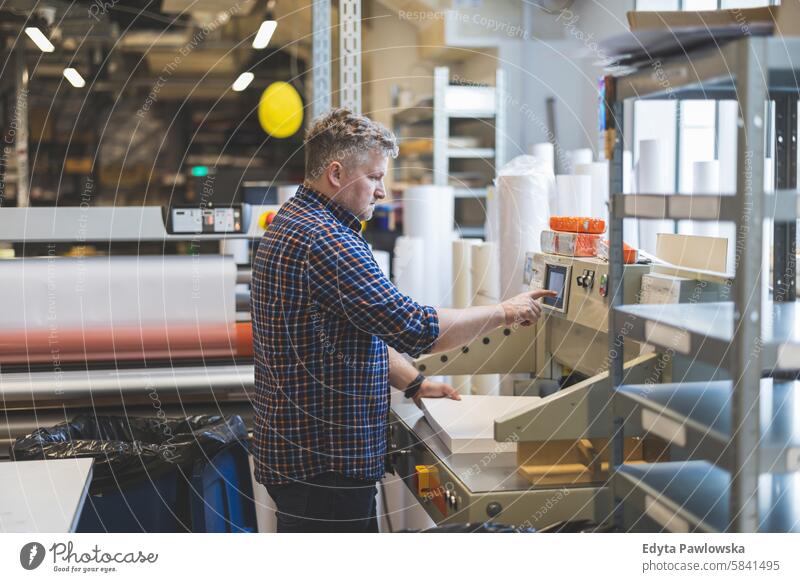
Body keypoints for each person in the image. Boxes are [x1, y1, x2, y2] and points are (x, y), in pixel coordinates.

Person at [251, 108, 554, 532]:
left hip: (306, 459)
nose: (381, 191)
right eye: (374, 177)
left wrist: (413, 382)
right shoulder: (328, 241)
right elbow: (412, 326)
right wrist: (506, 311)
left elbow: (358, 330)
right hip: (325, 467)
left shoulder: (296, 220)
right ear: (336, 173)